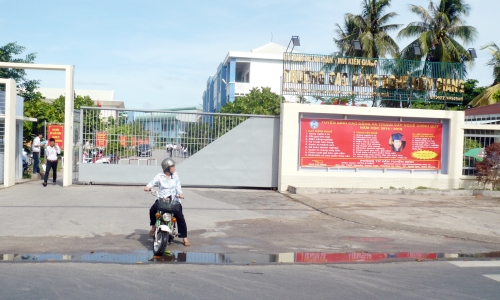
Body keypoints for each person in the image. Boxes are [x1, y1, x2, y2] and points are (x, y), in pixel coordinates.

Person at [144, 158, 190, 246]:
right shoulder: (159, 176)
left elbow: (178, 186)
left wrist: (180, 194)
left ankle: (184, 238)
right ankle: (153, 227)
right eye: (172, 166)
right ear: (167, 168)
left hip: (174, 200)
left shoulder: (175, 176)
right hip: (162, 199)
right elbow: (152, 183)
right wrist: (147, 187)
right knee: (152, 210)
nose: (174, 168)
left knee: (180, 217)